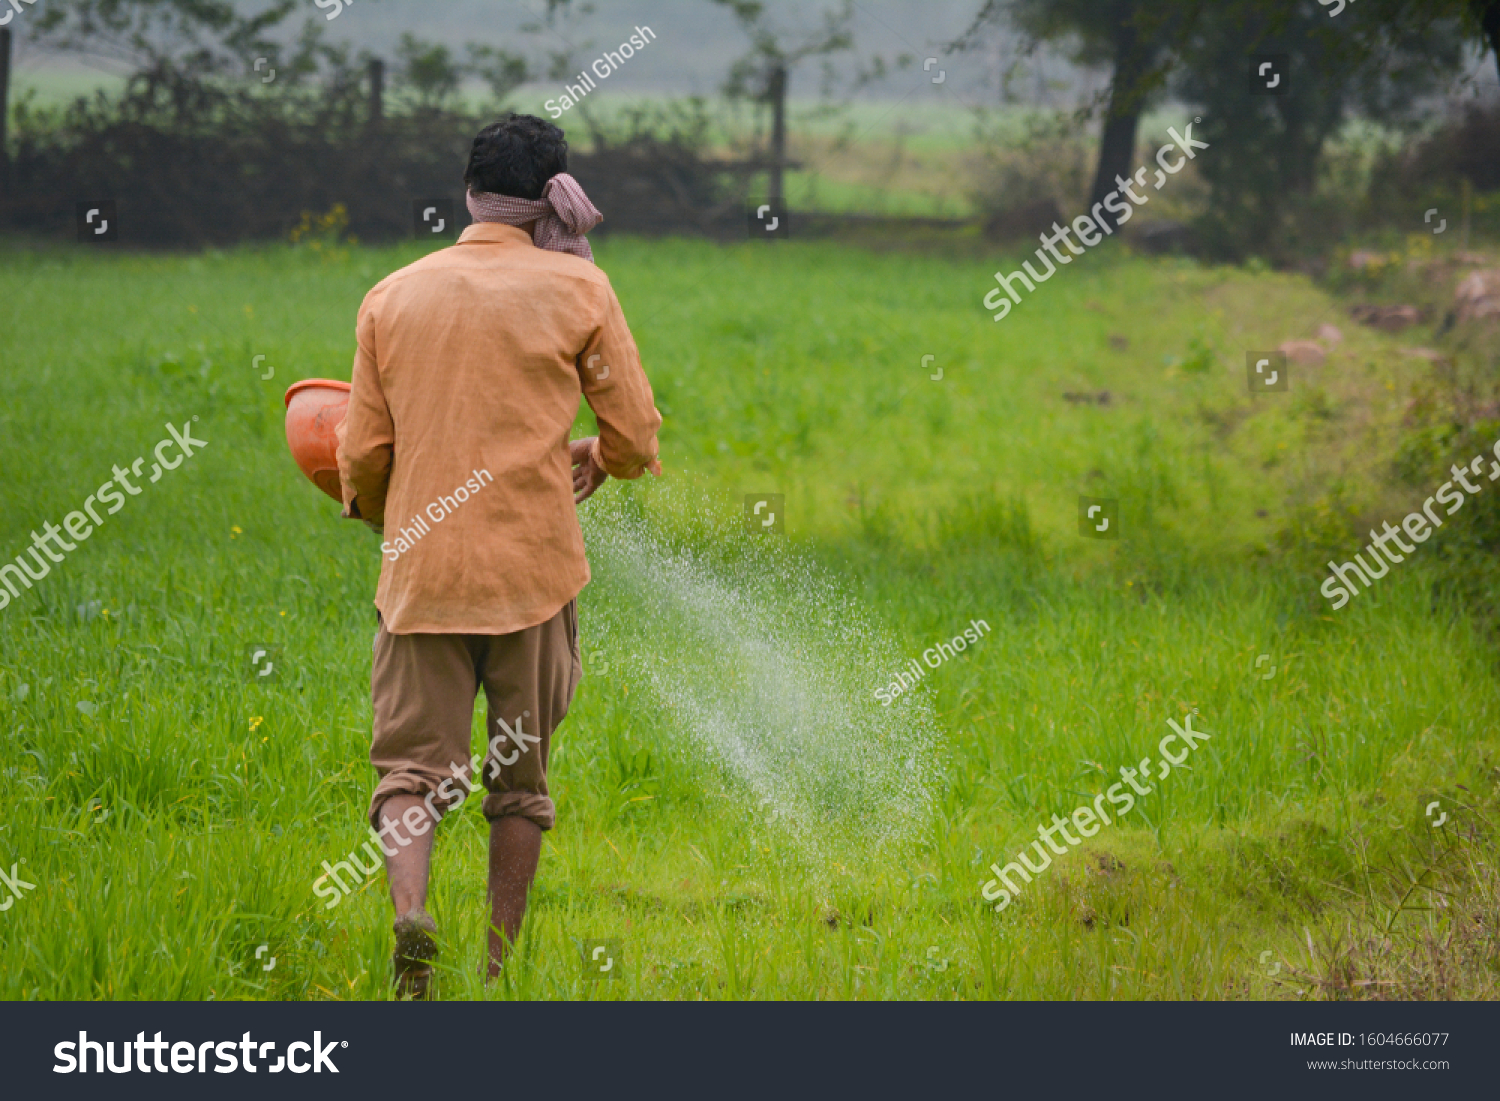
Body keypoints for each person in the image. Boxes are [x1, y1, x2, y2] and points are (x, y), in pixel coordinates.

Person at [336, 113, 662, 998]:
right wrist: (600, 455)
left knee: (409, 771)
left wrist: (383, 514)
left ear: (471, 193)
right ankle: (496, 968)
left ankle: (413, 916)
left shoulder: (391, 295)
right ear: (550, 200)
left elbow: (362, 458)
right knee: (519, 783)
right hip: (534, 574)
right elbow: (633, 436)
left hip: (422, 575)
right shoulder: (580, 293)